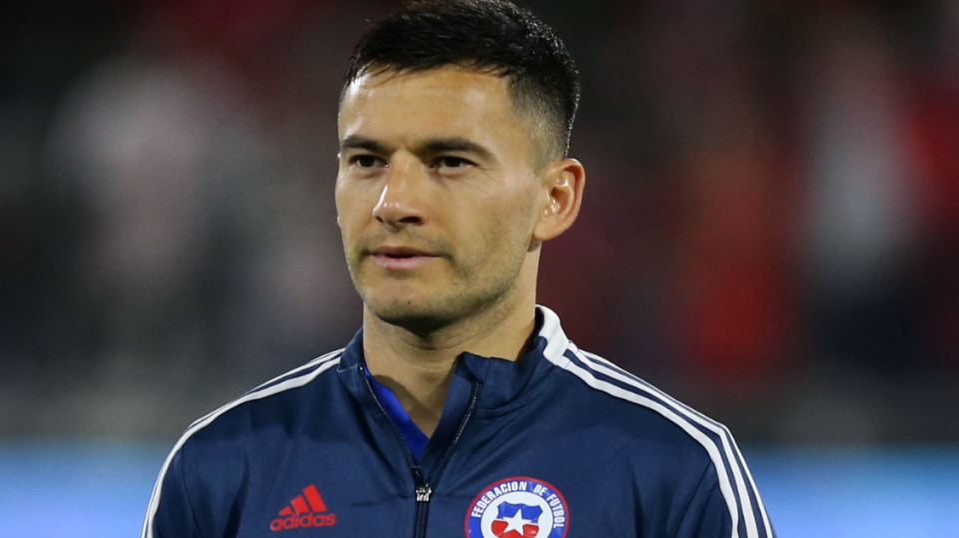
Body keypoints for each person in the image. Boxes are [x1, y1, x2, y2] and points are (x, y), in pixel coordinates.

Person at [142, 1, 776, 537]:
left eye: (449, 162)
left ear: (555, 199)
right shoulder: (222, 468)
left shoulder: (670, 471)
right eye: (366, 161)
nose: (394, 204)